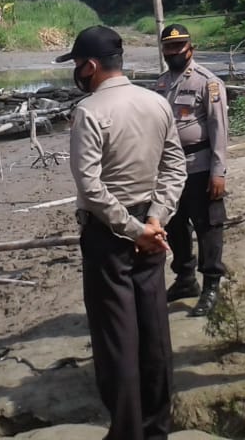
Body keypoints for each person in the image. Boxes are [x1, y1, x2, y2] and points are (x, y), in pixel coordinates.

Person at [58, 25, 187, 440]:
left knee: (117, 339)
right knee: (153, 331)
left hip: (111, 235)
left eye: (78, 65)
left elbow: (91, 186)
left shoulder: (90, 112)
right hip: (152, 229)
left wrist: (133, 230)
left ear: (91, 66)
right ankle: (156, 428)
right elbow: (175, 167)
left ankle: (127, 431)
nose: (78, 73)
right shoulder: (157, 102)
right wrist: (156, 219)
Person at [152, 23, 229, 317]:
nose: (173, 52)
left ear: (190, 48)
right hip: (170, 171)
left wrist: (218, 172)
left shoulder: (207, 83)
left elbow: (219, 129)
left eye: (178, 47)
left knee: (208, 227)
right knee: (174, 224)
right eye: (168, 48)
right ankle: (185, 279)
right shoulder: (160, 84)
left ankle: (211, 285)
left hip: (200, 166)